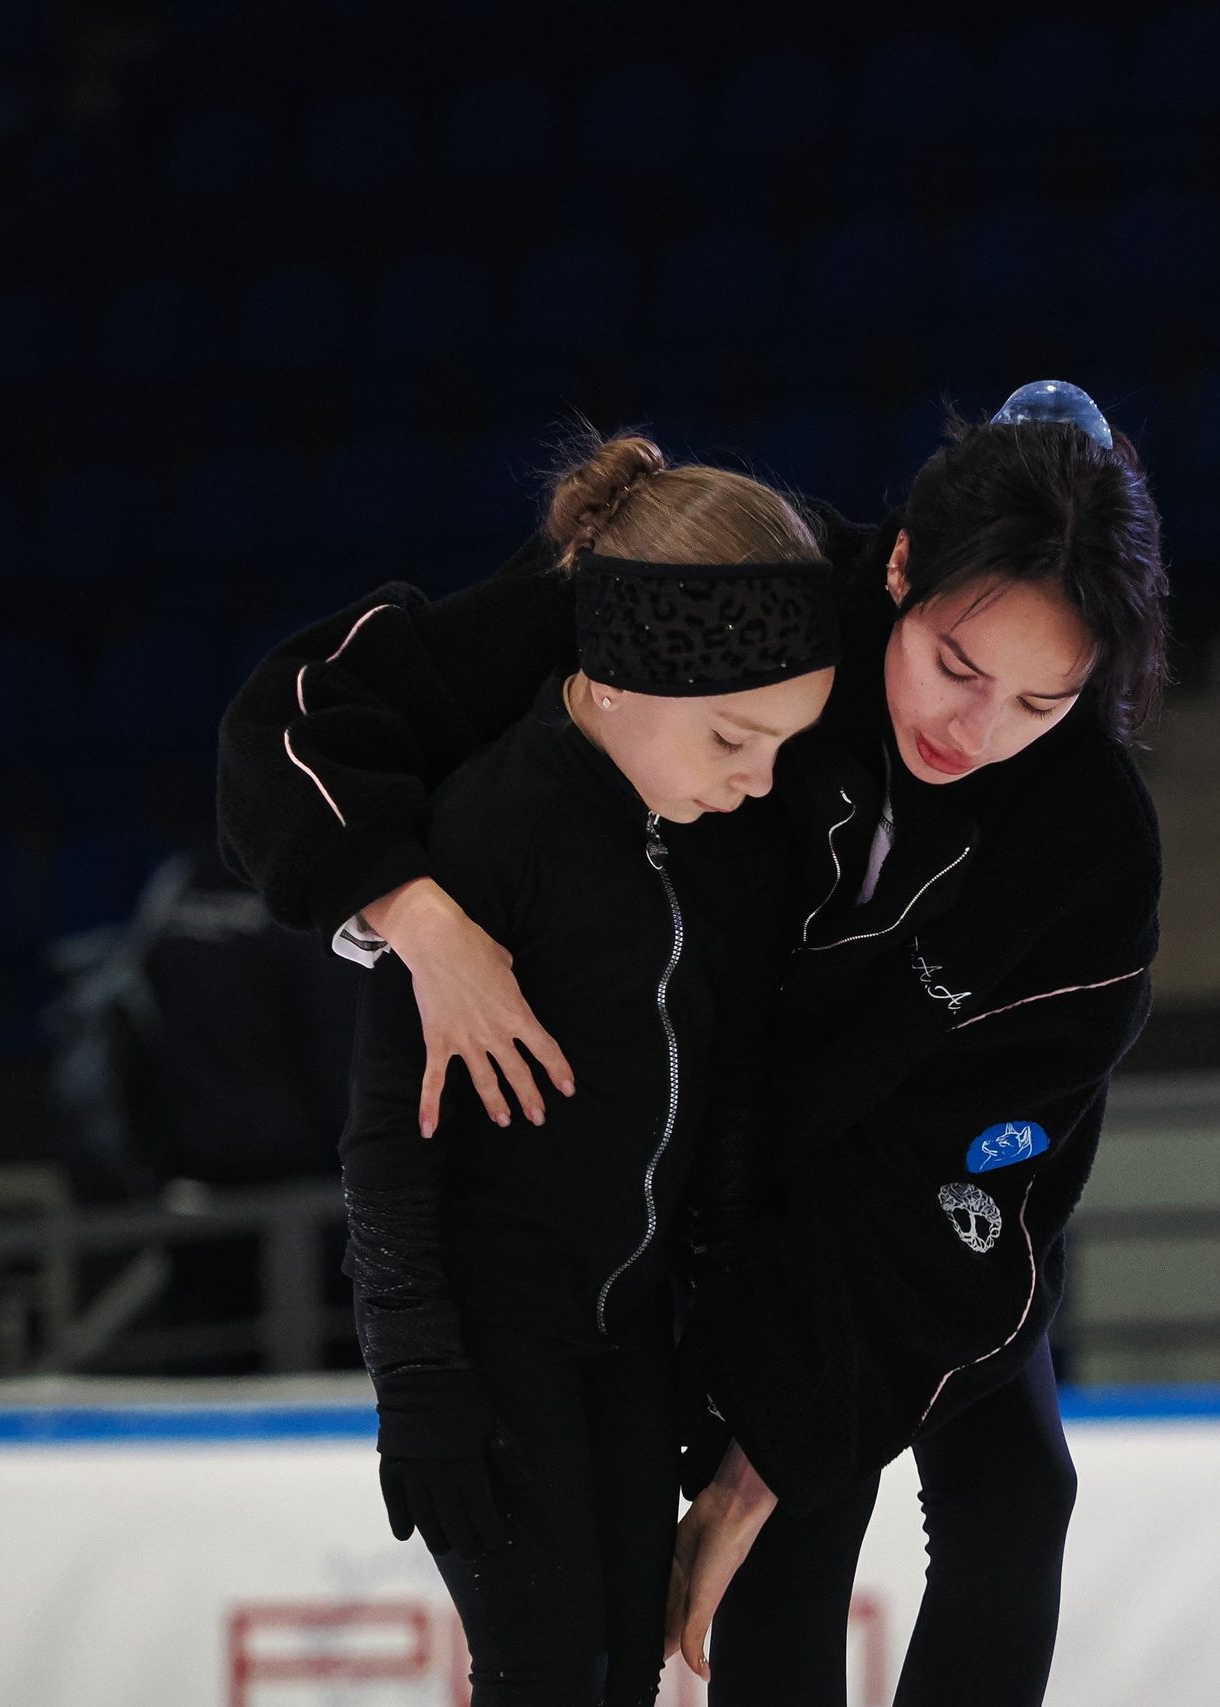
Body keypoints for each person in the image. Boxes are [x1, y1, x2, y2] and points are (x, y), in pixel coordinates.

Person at [217, 381, 1168, 1707]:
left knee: (1001, 1490)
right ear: (896, 570)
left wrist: (768, 1448)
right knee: (665, 1618)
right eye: (955, 664)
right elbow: (310, 715)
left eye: (1038, 701)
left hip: (894, 1199)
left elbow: (982, 1182)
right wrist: (420, 918)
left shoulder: (1089, 852)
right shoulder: (735, 598)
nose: (976, 727)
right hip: (668, 1164)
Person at [335, 436, 838, 1706]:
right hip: (489, 1337)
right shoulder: (490, 828)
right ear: (625, 676)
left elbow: (721, 1111)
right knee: (549, 1674)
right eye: (735, 737)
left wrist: (712, 1344)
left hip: (628, 1341)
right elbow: (388, 1136)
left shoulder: (728, 844)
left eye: (783, 746)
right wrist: (417, 1378)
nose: (758, 780)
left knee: (624, 1672)